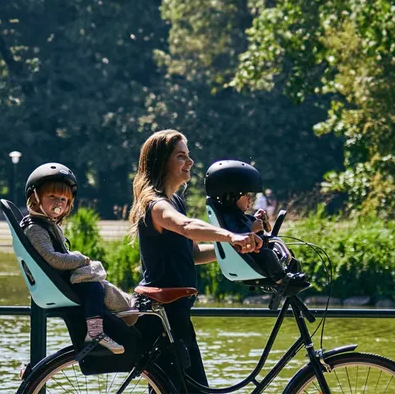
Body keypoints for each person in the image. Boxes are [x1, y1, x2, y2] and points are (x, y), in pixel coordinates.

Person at [128, 130, 261, 391]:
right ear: (161, 162)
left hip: (177, 311)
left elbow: (193, 254)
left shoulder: (174, 201)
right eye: (181, 156)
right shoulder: (156, 205)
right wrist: (231, 235)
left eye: (188, 156)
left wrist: (238, 241)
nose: (189, 162)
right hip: (162, 313)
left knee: (189, 388)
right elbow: (187, 226)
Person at [21, 162, 136, 355]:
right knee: (94, 286)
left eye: (64, 200)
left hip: (63, 281)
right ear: (35, 197)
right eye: (52, 197)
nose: (58, 203)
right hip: (61, 284)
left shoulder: (46, 225)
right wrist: (81, 260)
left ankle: (128, 309)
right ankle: (96, 332)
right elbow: (53, 259)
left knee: (100, 286)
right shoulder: (36, 228)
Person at [205, 160, 288, 283]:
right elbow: (234, 235)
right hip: (247, 256)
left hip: (253, 251)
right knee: (268, 255)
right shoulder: (228, 217)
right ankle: (281, 280)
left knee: (282, 252)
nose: (250, 198)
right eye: (246, 195)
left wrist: (257, 219)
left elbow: (263, 229)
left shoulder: (237, 215)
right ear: (231, 197)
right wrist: (251, 229)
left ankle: (288, 274)